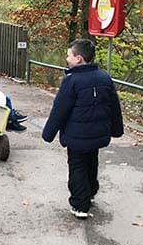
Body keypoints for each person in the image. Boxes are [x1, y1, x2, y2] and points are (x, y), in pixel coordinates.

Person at [42, 39, 124, 219]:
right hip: (98, 133)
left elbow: (60, 110)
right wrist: (117, 129)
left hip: (76, 135)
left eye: (69, 55)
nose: (67, 58)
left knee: (78, 166)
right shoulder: (104, 77)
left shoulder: (72, 81)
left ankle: (80, 204)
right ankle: (90, 192)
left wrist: (48, 133)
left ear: (78, 58)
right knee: (91, 161)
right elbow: (114, 106)